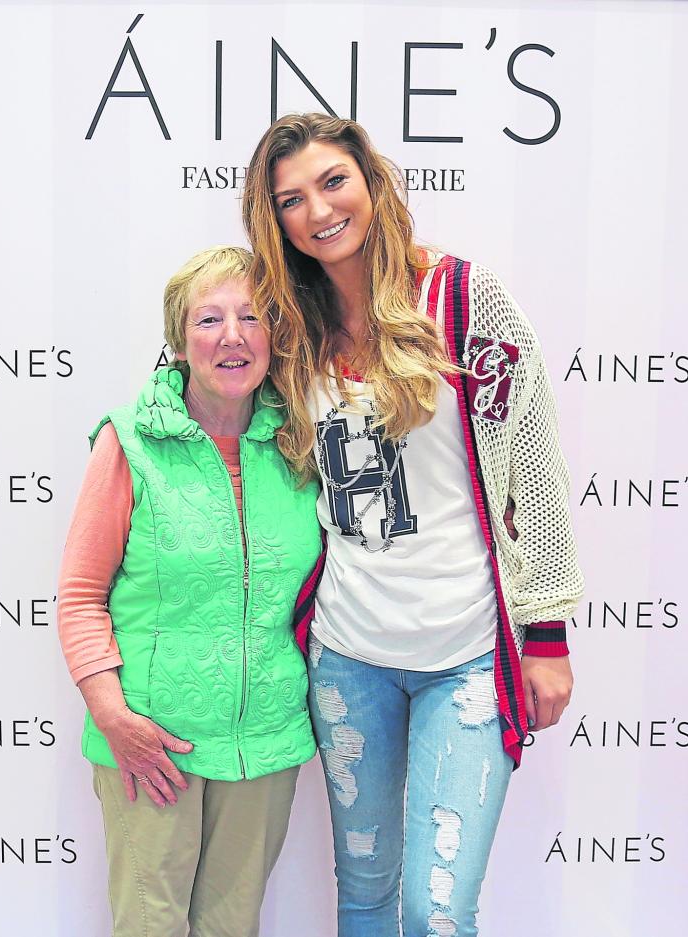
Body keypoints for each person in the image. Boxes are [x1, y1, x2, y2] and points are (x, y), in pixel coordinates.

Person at [241, 114, 584, 937]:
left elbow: (534, 467)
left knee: (438, 910)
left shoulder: (463, 298)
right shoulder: (289, 328)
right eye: (291, 199)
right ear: (274, 219)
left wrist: (547, 634)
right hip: (347, 653)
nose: (319, 210)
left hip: (465, 654)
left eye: (333, 181)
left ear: (371, 182)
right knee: (363, 888)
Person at [57, 246, 325, 937]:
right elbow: (81, 595)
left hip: (264, 742)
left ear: (275, 336)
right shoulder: (129, 442)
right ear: (179, 343)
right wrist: (113, 717)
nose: (233, 335)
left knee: (232, 928)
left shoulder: (302, 446)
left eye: (253, 317)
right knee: (151, 927)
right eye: (209, 319)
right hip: (152, 742)